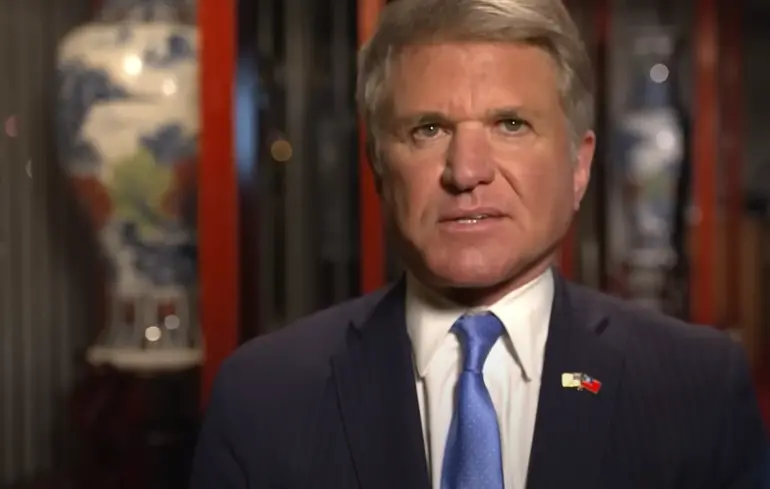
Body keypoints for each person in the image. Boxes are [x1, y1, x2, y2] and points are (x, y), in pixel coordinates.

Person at [190, 0, 768, 488]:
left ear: (579, 165)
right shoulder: (264, 398)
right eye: (428, 129)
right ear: (378, 166)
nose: (466, 172)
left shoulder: (698, 390)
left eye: (510, 124)